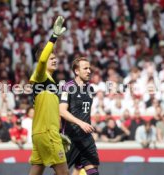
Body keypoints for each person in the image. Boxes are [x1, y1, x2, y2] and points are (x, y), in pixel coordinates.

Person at [28, 16, 68, 175]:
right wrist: (54, 37)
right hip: (47, 134)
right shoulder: (40, 75)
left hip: (41, 133)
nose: (55, 60)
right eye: (52, 57)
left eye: (55, 57)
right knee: (64, 173)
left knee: (36, 170)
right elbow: (43, 58)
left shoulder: (51, 82)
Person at [60, 57, 100, 175]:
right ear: (77, 71)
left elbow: (84, 112)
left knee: (93, 171)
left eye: (89, 68)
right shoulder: (67, 87)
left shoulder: (90, 89)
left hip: (86, 138)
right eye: (85, 68)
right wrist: (81, 123)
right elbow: (62, 111)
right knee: (61, 172)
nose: (89, 71)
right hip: (70, 138)